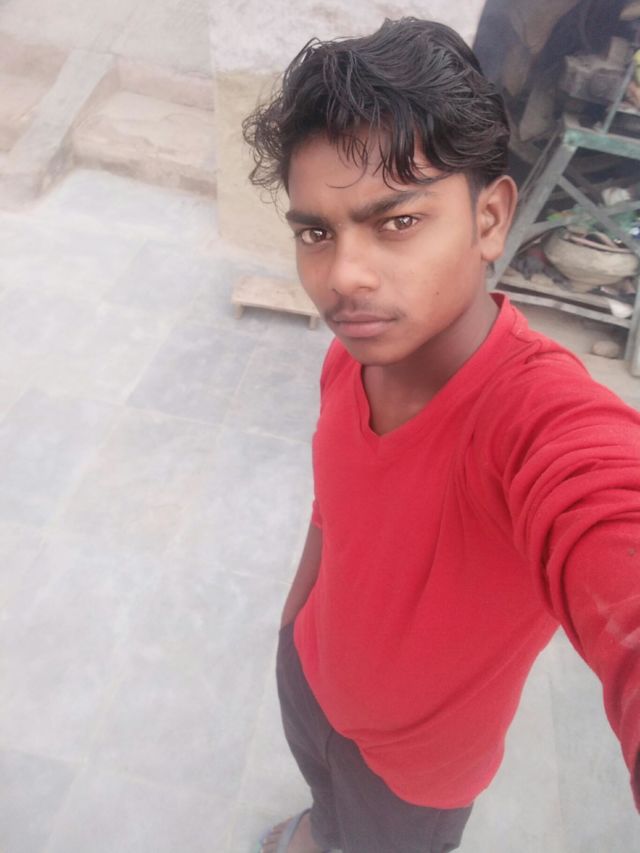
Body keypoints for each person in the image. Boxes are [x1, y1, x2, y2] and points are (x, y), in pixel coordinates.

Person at [242, 17, 640, 853]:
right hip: (310, 681)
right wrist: (295, 621)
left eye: (397, 221)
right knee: (325, 804)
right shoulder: (351, 357)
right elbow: (333, 507)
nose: (343, 276)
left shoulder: (535, 422)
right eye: (317, 231)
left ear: (490, 218)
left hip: (417, 775)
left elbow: (611, 523)